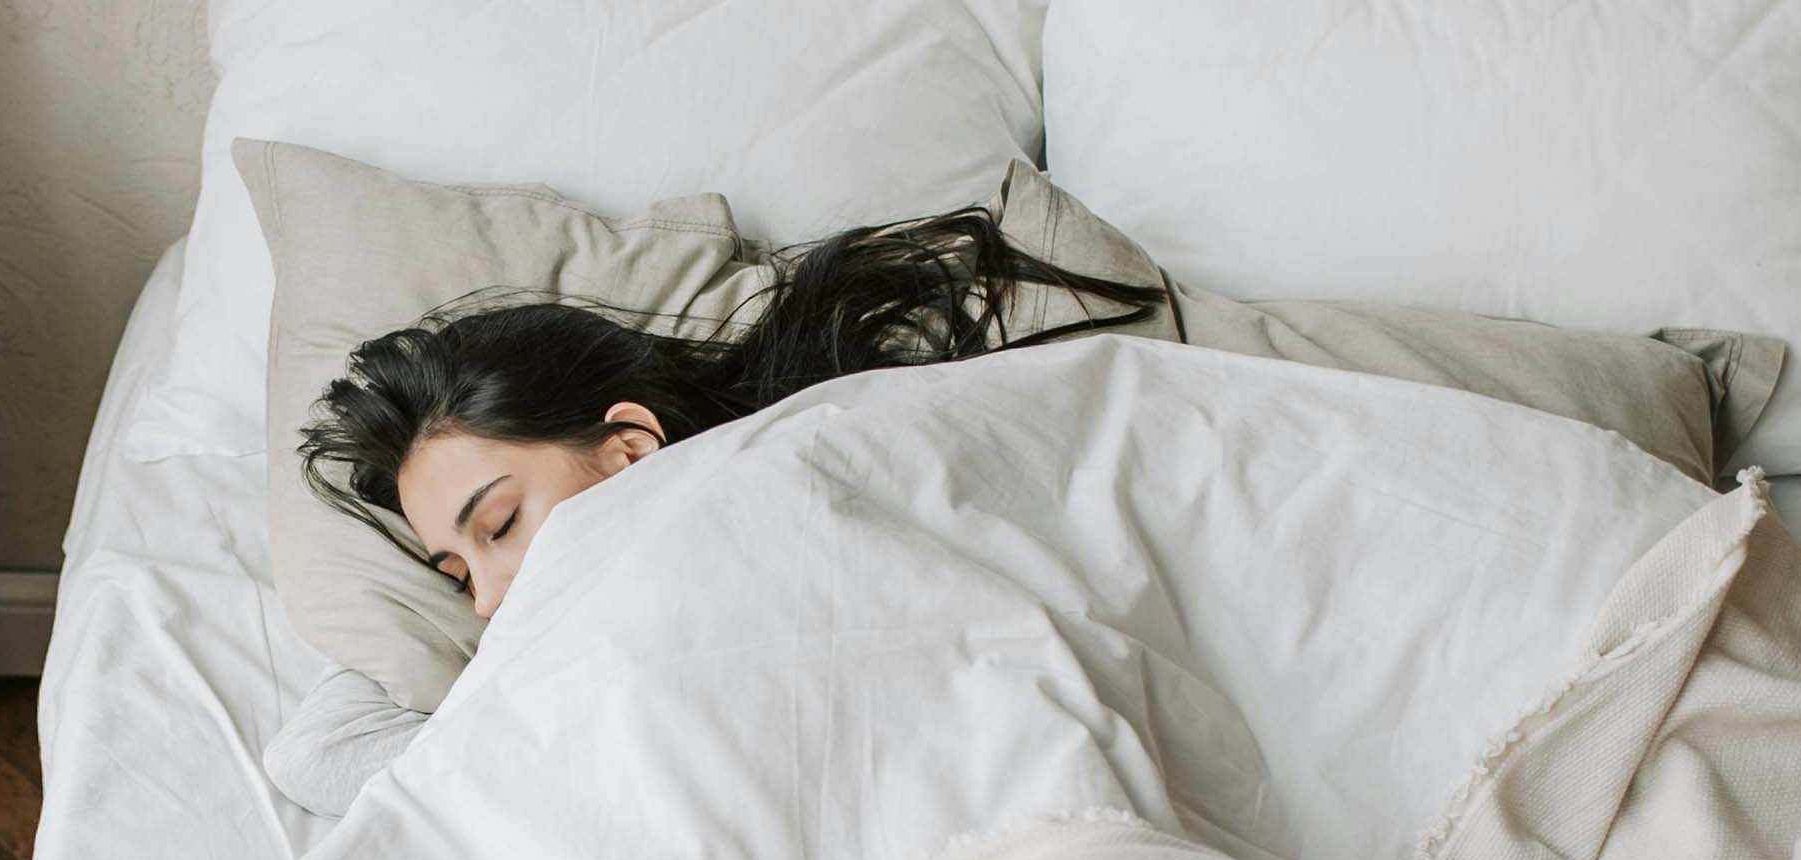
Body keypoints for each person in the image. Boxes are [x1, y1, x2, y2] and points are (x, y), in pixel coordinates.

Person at [297, 206, 1167, 620]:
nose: (486, 604)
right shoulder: (553, 652)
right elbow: (325, 752)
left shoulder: (812, 463)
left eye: (500, 524)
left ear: (627, 451)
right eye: (458, 577)